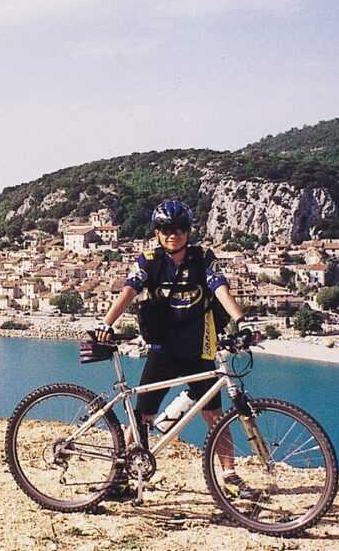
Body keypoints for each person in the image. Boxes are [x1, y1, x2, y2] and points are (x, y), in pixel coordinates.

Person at [97, 199, 255, 500]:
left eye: (180, 229)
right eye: (167, 229)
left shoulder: (202, 257)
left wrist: (240, 320)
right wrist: (106, 322)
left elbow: (219, 285)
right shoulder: (149, 259)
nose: (174, 234)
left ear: (188, 231)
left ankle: (230, 475)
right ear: (157, 232)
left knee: (215, 416)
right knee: (142, 415)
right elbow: (130, 288)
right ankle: (117, 477)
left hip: (200, 348)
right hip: (163, 349)